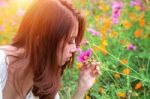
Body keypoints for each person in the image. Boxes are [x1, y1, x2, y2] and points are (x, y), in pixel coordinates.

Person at [0, 0, 101, 99]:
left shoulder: (44, 82)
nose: (75, 49)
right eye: (69, 41)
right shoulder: (2, 64)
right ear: (41, 39)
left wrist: (82, 87)